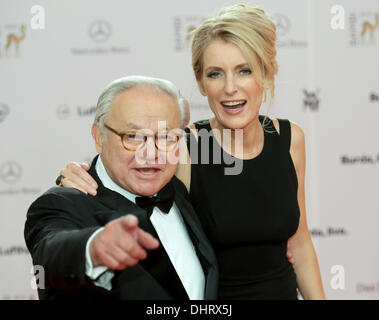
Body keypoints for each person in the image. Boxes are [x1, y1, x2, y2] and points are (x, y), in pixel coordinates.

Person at [57, 4, 325, 299]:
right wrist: (73, 180)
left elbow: (299, 243)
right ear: (200, 83)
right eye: (215, 74)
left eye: (244, 71)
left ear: (266, 72)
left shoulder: (289, 139)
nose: (230, 88)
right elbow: (125, 187)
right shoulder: (184, 146)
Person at [24, 76, 218, 300]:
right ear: (99, 137)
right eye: (133, 136)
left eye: (166, 137)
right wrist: (92, 248)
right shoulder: (61, 204)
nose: (151, 153)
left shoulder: (178, 190)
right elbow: (51, 252)